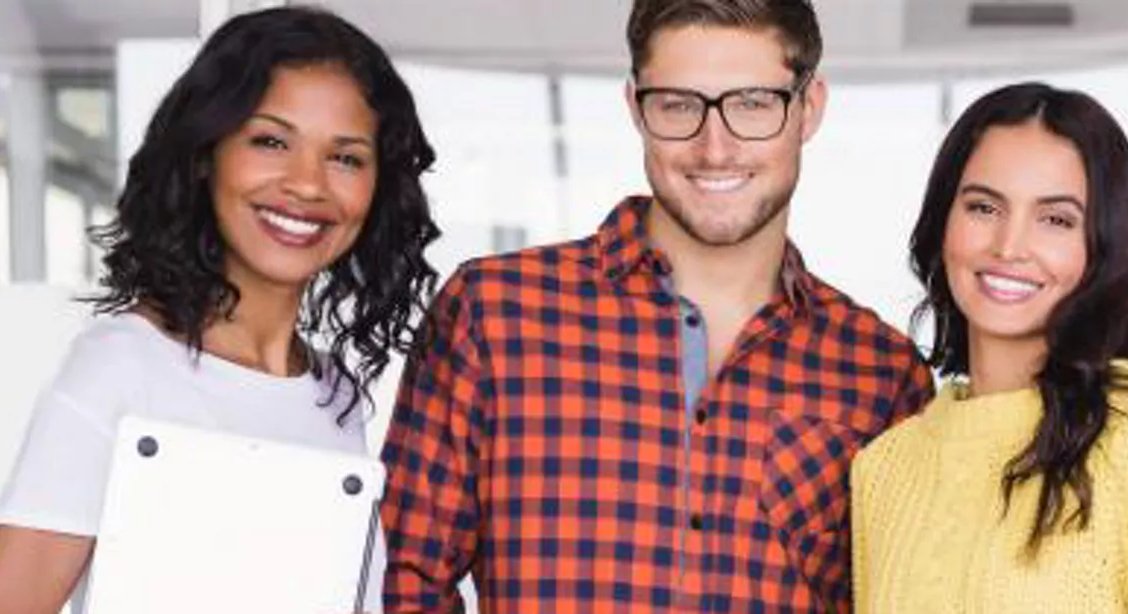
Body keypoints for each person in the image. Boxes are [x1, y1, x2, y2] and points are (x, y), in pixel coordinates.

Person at [378, 0, 932, 611]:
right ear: (635, 108)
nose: (715, 148)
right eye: (678, 105)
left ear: (809, 109)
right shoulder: (493, 313)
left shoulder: (880, 372)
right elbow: (403, 580)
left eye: (752, 104)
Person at [0, 6, 439, 613]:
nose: (308, 184)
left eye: (345, 157)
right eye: (270, 141)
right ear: (206, 154)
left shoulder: (332, 398)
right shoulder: (123, 369)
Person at [850, 82, 1128, 613]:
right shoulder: (885, 469)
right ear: (942, 222)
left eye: (1056, 219)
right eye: (983, 207)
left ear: (1102, 248)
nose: (1010, 247)